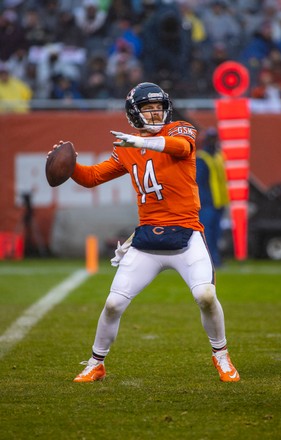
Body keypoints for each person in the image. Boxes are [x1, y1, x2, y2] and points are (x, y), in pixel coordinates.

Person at [49, 82, 239, 383]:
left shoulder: (180, 130)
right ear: (134, 115)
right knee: (113, 304)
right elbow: (92, 177)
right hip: (147, 239)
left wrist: (142, 144)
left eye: (159, 108)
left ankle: (222, 356)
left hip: (186, 234)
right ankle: (96, 363)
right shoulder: (127, 148)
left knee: (205, 295)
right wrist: (69, 166)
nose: (155, 114)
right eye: (148, 109)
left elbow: (182, 148)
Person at [196, 128, 229, 267]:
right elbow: (199, 180)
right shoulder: (202, 157)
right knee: (207, 233)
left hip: (219, 202)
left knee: (216, 233)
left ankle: (216, 259)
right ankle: (208, 260)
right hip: (207, 202)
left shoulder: (219, 155)